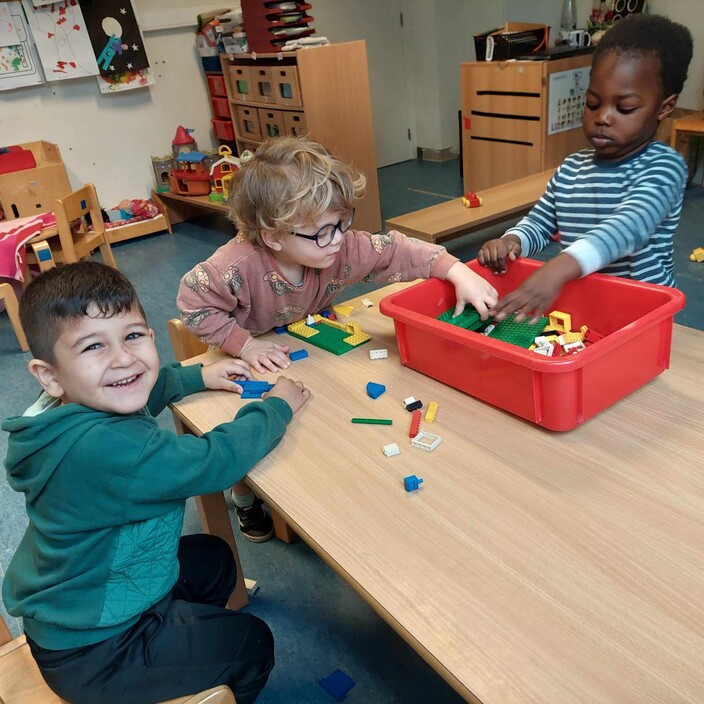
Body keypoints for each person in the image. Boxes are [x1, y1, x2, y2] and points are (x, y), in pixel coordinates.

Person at [2, 261, 310, 704]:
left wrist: (194, 376)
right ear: (49, 374)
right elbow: (214, 463)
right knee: (252, 643)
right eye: (93, 347)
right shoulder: (107, 451)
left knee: (215, 559)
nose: (123, 358)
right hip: (96, 651)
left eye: (132, 335)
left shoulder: (64, 408)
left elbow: (135, 389)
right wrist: (276, 407)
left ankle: (185, 642)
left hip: (84, 600)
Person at [177, 135, 499, 372]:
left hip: (311, 350)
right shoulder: (235, 267)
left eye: (342, 222)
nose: (337, 239)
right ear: (273, 237)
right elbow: (193, 304)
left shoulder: (338, 246)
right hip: (253, 359)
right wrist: (244, 344)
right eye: (322, 231)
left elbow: (395, 251)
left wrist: (457, 271)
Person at [477, 13, 693, 322]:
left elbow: (628, 228)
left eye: (625, 108)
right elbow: (541, 223)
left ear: (665, 106)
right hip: (583, 305)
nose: (603, 117)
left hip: (642, 314)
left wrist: (558, 269)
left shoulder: (663, 167)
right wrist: (512, 241)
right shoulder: (571, 169)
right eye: (593, 103)